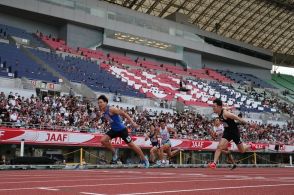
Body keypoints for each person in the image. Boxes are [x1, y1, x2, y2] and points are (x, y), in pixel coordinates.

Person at [98, 95, 149, 168]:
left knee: (131, 145)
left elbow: (124, 114)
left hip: (122, 130)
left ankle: (144, 159)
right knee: (103, 140)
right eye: (98, 103)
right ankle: (114, 153)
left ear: (106, 103)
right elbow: (111, 120)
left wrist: (133, 123)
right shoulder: (103, 111)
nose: (99, 104)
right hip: (114, 130)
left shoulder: (112, 109)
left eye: (101, 102)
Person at [208, 98, 254, 169]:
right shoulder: (219, 111)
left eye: (214, 106)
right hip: (227, 132)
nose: (213, 108)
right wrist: (229, 107)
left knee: (241, 150)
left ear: (219, 107)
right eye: (212, 106)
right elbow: (225, 107)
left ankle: (250, 145)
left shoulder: (226, 114)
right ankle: (214, 163)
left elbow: (237, 118)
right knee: (219, 147)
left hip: (234, 132)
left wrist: (248, 123)